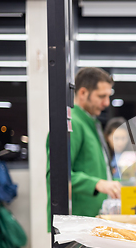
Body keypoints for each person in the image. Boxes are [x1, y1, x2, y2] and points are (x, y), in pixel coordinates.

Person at [46, 67, 121, 224]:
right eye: (101, 96)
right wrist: (97, 184)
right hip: (76, 224)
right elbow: (56, 176)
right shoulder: (71, 124)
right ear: (82, 93)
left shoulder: (90, 124)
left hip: (92, 221)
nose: (107, 103)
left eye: (108, 96)